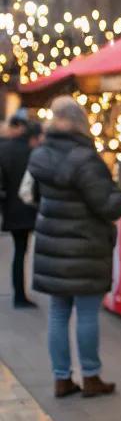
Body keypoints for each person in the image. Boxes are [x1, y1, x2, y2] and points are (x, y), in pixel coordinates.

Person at [28, 96, 121, 399]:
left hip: (53, 246)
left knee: (58, 313)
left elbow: (35, 196)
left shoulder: (40, 155)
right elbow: (107, 205)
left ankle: (61, 378)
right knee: (86, 314)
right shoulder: (85, 159)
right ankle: (91, 376)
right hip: (85, 247)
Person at [0, 110, 43, 308]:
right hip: (29, 207)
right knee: (23, 251)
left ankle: (19, 293)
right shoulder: (33, 152)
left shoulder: (4, 149)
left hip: (11, 207)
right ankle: (22, 294)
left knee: (19, 252)